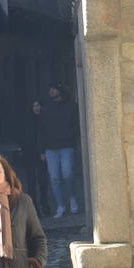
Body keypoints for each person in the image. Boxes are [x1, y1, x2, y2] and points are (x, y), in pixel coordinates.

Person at [39, 85, 82, 217]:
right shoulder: (46, 108)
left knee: (67, 175)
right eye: (49, 89)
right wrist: (42, 150)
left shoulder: (71, 106)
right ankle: (61, 205)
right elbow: (41, 129)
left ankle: (72, 199)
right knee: (55, 178)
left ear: (60, 90)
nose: (51, 91)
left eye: (54, 88)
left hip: (66, 145)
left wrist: (69, 136)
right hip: (50, 148)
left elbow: (77, 124)